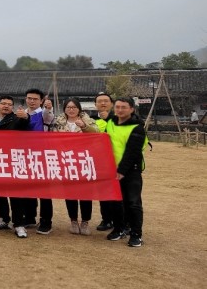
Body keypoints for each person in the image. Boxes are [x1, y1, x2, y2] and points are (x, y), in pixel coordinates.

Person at [104, 97, 148, 248]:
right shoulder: (110, 122)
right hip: (111, 170)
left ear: (131, 109)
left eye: (124, 107)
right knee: (115, 202)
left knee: (133, 203)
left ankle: (136, 235)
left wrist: (122, 170)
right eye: (117, 107)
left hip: (131, 171)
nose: (120, 110)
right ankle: (119, 229)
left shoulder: (137, 127)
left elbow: (132, 152)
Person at [53, 98, 99, 236]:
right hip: (66, 161)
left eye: (74, 107)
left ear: (79, 109)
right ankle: (73, 221)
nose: (71, 110)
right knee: (70, 193)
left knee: (86, 193)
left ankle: (85, 222)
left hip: (84, 160)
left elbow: (97, 134)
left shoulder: (88, 120)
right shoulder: (59, 122)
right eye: (68, 107)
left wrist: (84, 126)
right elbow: (52, 139)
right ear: (64, 109)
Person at [0, 95, 31, 238]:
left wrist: (26, 117)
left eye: (9, 104)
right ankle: (4, 219)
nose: (6, 106)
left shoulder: (17, 119)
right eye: (3, 103)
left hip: (12, 159)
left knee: (15, 194)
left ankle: (19, 224)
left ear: (13, 107)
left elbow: (25, 123)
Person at [21, 88, 55, 235]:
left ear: (41, 101)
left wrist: (48, 107)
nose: (32, 101)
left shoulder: (44, 114)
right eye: (29, 98)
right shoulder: (22, 113)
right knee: (27, 188)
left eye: (35, 99)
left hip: (42, 156)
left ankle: (46, 221)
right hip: (25, 155)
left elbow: (49, 115)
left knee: (44, 191)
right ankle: (29, 217)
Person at [93, 92, 115, 231]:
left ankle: (122, 221)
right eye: (99, 101)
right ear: (95, 105)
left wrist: (110, 118)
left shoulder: (120, 119)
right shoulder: (92, 121)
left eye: (106, 101)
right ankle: (106, 219)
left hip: (117, 161)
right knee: (103, 192)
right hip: (100, 162)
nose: (103, 103)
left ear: (111, 104)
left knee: (119, 192)